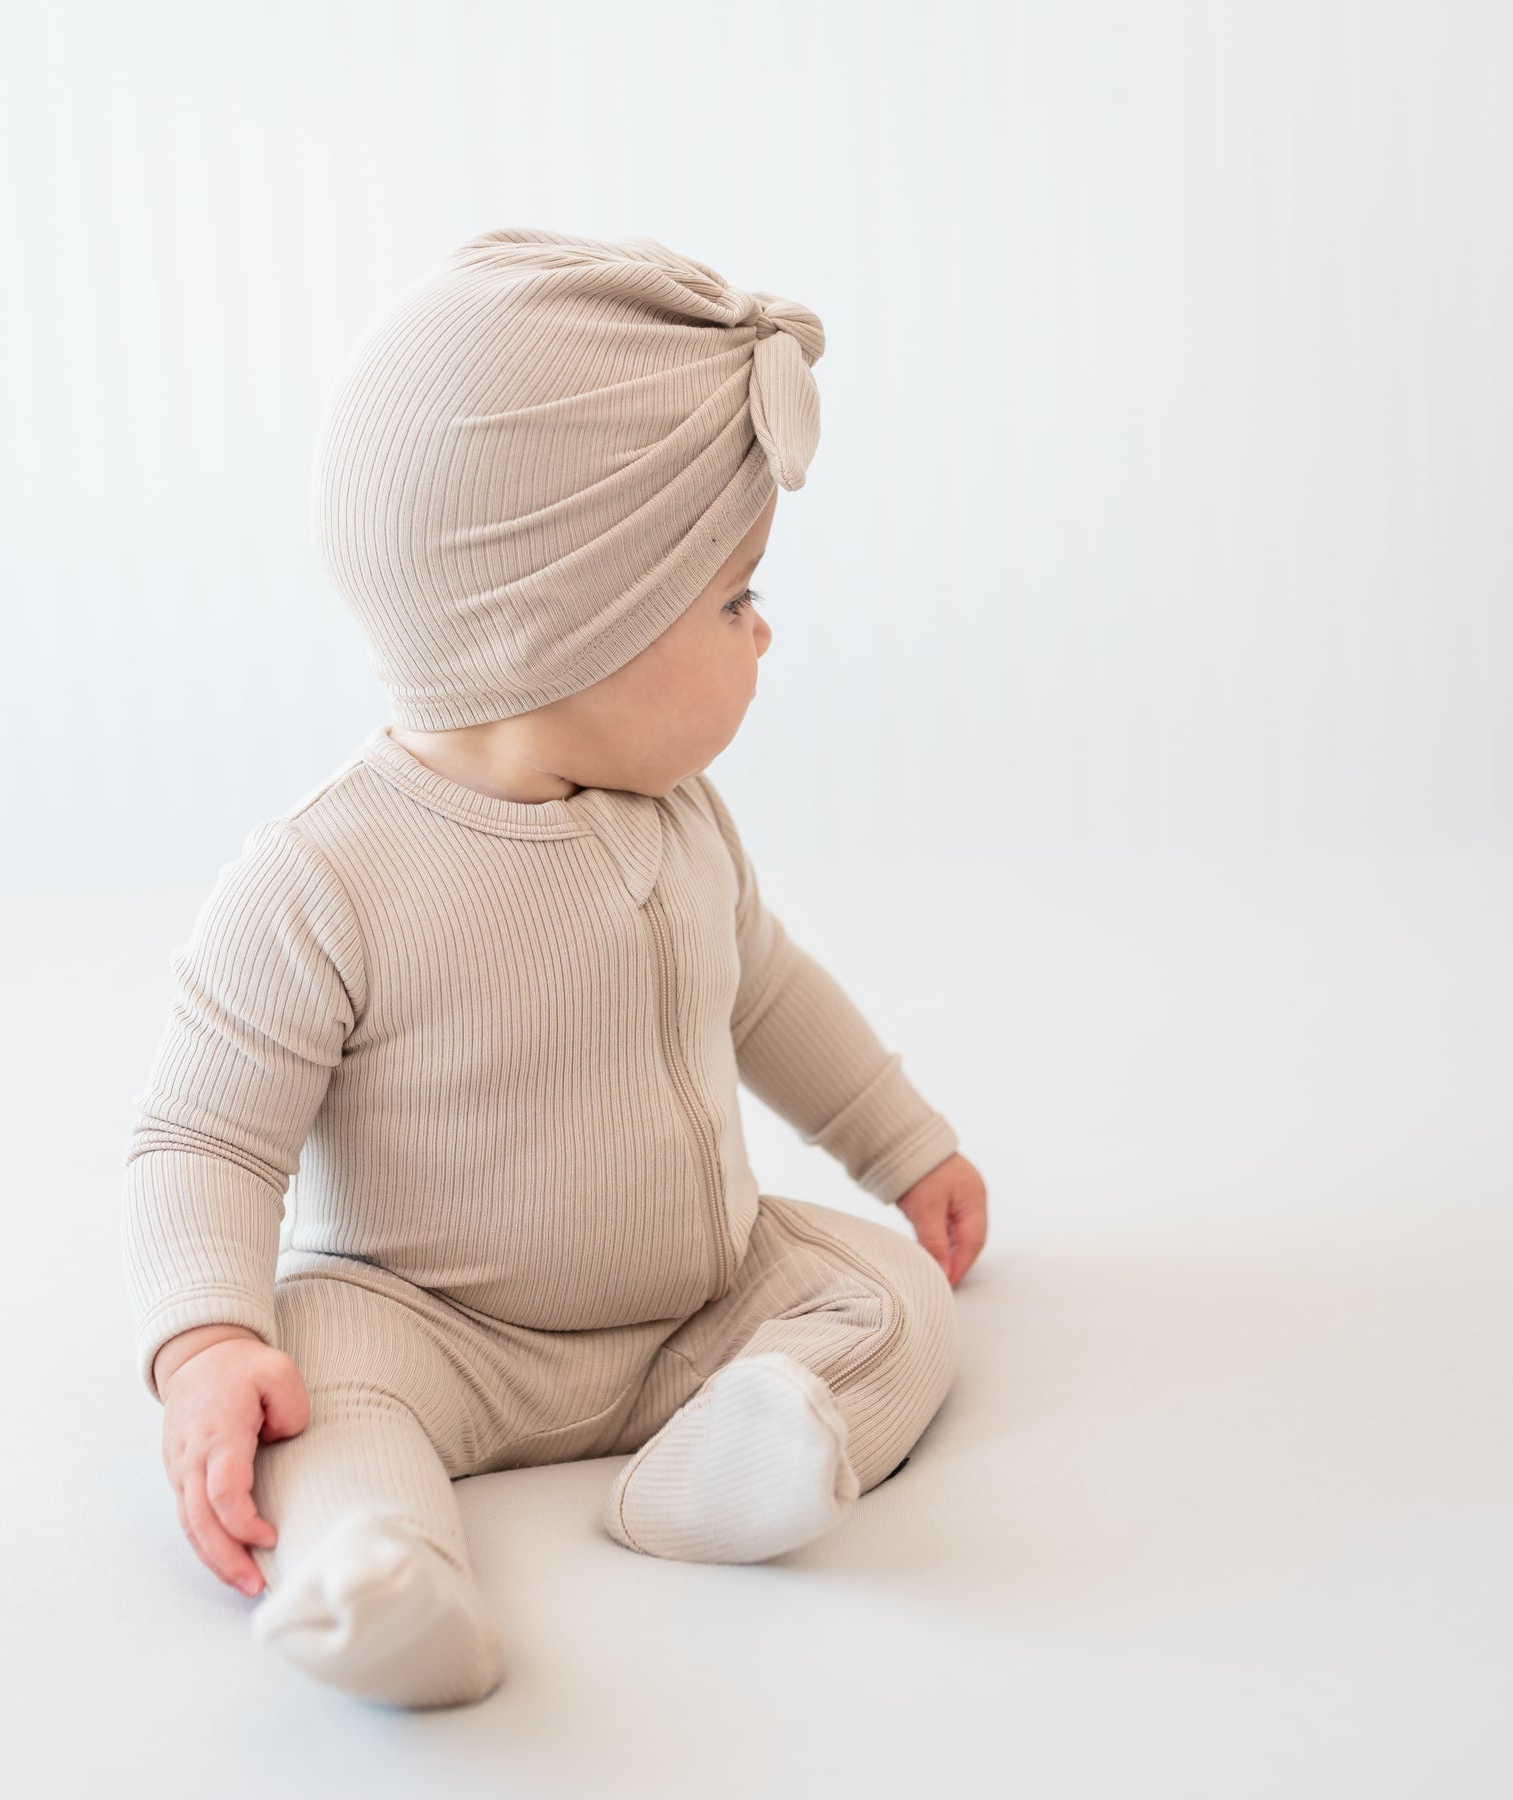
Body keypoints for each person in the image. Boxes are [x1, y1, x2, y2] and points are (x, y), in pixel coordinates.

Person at [121, 226, 990, 1710]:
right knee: (319, 1384)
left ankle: (740, 1454)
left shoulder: (683, 823)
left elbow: (766, 991)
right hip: (439, 1326)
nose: (766, 636)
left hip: (693, 1300)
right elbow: (202, 1136)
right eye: (734, 601)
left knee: (897, 1297)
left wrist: (900, 1144)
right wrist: (204, 1338)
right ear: (568, 627)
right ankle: (381, 1577)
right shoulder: (329, 876)